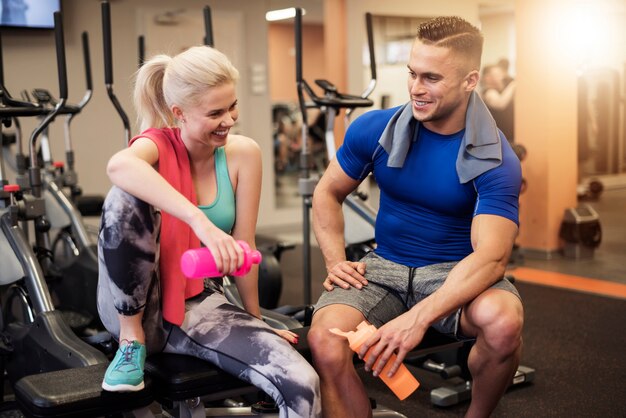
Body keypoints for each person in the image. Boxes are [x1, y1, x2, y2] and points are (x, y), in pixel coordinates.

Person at [307, 16, 523, 418]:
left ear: (469, 80)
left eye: (432, 78)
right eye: (412, 73)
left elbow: (492, 257)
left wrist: (417, 319)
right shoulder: (374, 128)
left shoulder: (495, 158)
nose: (415, 89)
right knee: (325, 339)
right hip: (384, 266)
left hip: (452, 273)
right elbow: (327, 191)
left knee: (504, 322)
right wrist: (336, 261)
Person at [97, 45, 321, 418]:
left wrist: (257, 319)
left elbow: (245, 246)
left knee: (302, 383)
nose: (229, 120)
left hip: (198, 298)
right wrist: (200, 222)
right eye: (215, 113)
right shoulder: (156, 146)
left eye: (232, 106)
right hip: (134, 301)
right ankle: (130, 342)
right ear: (179, 114)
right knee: (125, 194)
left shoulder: (243, 154)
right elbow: (118, 166)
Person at [481, 62, 516, 142]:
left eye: (500, 74)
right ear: (487, 78)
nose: (501, 77)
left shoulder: (502, 91)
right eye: (496, 75)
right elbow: (500, 104)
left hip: (509, 136)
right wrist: (513, 85)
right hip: (498, 138)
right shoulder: (488, 92)